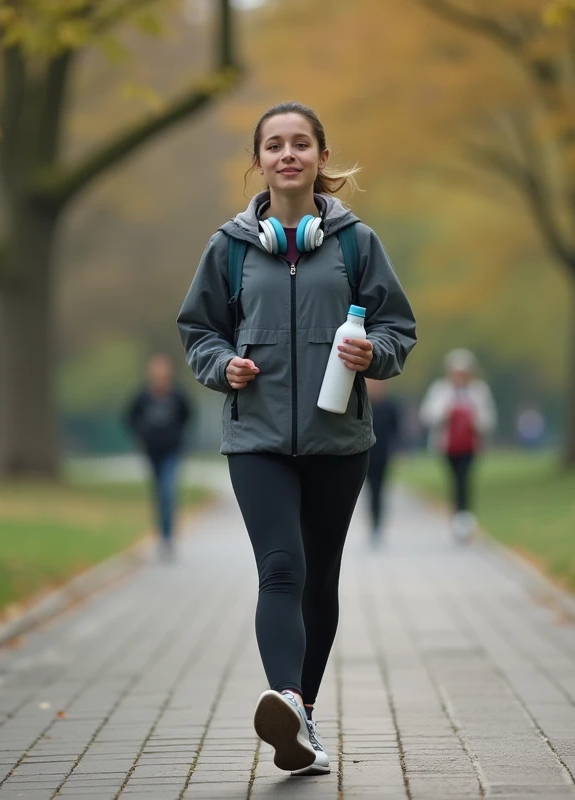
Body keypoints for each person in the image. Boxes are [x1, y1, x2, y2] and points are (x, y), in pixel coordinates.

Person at [177, 102, 416, 776]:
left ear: (320, 156)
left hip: (339, 439)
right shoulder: (228, 249)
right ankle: (287, 696)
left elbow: (399, 327)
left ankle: (301, 719)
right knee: (281, 568)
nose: (288, 154)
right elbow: (199, 330)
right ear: (259, 161)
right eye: (275, 144)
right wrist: (222, 366)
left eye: (301, 143)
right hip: (255, 437)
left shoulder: (354, 244)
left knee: (321, 580)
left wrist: (376, 353)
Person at [419, 348, 496, 542]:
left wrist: (474, 420)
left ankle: (464, 519)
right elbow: (427, 415)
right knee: (455, 480)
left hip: (470, 446)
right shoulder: (440, 390)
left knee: (465, 479)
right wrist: (445, 413)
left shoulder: (479, 390)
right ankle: (459, 517)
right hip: (447, 446)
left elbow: (489, 420)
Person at [124, 354, 194, 561]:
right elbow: (130, 418)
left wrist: (178, 436)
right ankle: (162, 535)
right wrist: (142, 436)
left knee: (168, 490)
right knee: (159, 494)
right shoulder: (142, 397)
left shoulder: (178, 395)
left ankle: (168, 537)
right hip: (152, 451)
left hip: (173, 451)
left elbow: (187, 416)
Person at [364, 378, 402, 546]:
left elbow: (396, 432)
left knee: (379, 491)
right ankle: (371, 524)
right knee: (368, 491)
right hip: (363, 456)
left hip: (383, 456)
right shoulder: (362, 405)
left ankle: (377, 526)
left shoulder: (389, 407)